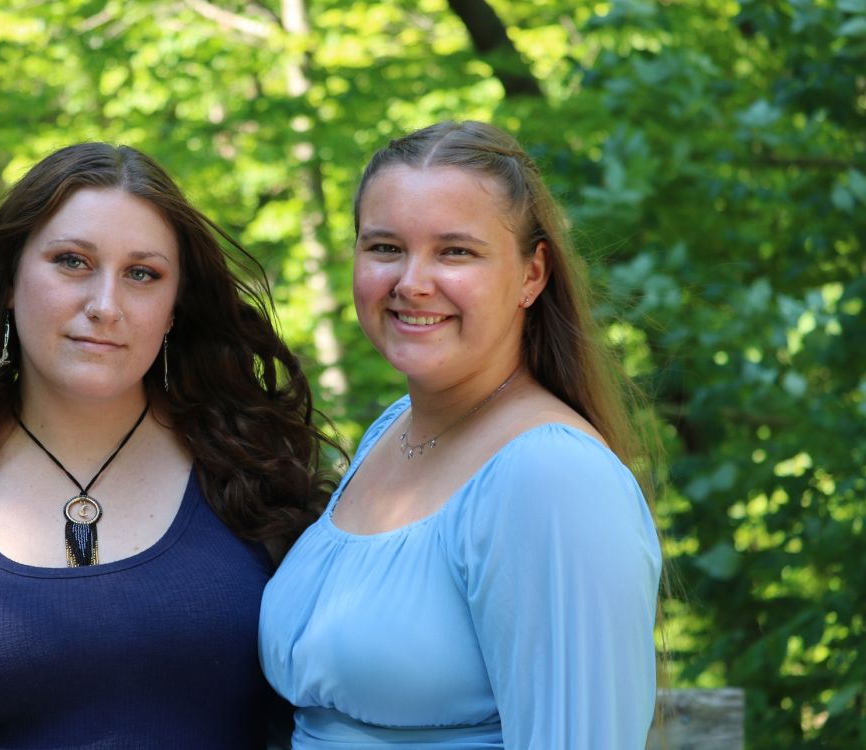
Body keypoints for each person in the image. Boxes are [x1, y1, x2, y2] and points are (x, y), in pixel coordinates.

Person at [0, 142, 335, 748]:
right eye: (72, 262)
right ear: (8, 281)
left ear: (175, 306)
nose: (105, 306)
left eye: (142, 274)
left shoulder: (253, 467)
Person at [259, 121, 663, 748]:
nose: (412, 282)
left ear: (532, 275)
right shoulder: (391, 432)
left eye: (455, 252)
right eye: (385, 248)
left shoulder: (552, 477)